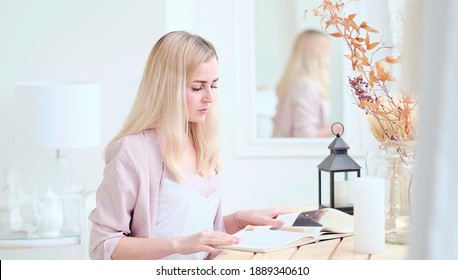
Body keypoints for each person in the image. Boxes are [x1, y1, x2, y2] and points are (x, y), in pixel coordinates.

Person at [88, 31, 290, 260]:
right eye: (197, 87)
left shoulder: (203, 144)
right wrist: (178, 245)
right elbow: (104, 245)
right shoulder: (133, 152)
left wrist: (241, 219)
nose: (209, 97)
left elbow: (192, 234)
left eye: (214, 85)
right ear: (167, 87)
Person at [272, 29, 332, 138]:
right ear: (317, 55)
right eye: (327, 53)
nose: (328, 58)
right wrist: (335, 129)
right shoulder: (305, 86)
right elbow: (305, 135)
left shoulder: (294, 82)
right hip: (292, 153)